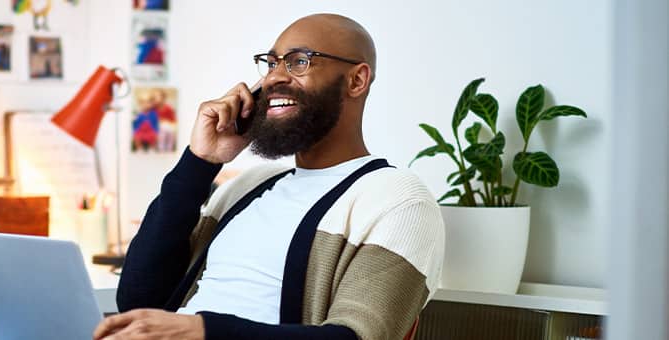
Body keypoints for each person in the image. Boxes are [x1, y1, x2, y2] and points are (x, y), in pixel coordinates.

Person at [95, 13, 445, 340]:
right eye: (272, 62)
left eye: (299, 61)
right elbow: (138, 299)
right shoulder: (248, 186)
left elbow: (355, 336)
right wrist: (200, 162)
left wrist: (203, 331)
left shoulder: (398, 200)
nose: (275, 77)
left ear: (356, 80)